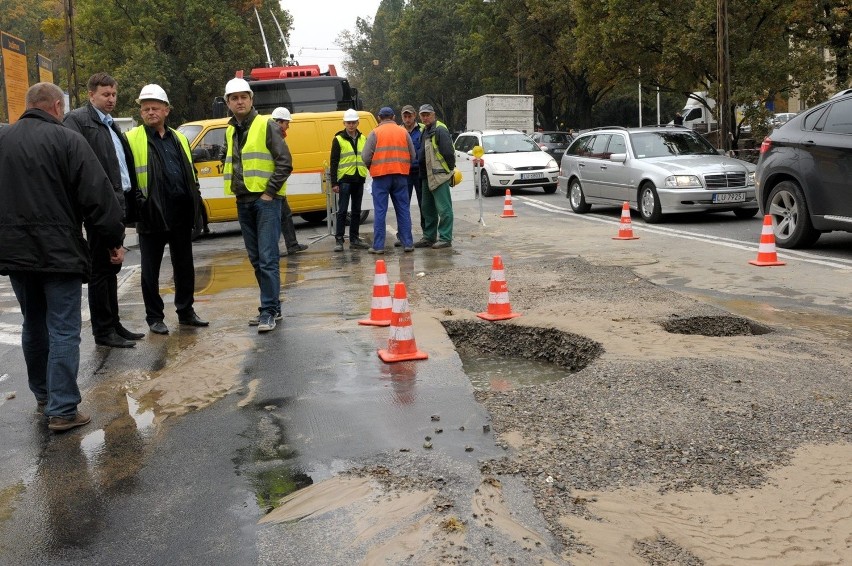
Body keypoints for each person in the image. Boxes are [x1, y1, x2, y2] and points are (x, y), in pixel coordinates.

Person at [0, 82, 125, 432]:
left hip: (16, 254)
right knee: (64, 328)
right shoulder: (68, 140)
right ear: (56, 106)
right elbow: (98, 197)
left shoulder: (3, 140)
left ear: (28, 106)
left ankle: (43, 395)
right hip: (60, 254)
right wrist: (113, 239)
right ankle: (63, 408)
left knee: (33, 323)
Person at [63, 72, 143, 348]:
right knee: (100, 268)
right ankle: (103, 331)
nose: (111, 99)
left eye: (113, 94)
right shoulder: (78, 121)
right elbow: (76, 164)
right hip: (98, 204)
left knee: (112, 267)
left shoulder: (110, 125)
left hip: (116, 203)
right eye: (105, 94)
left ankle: (114, 324)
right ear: (91, 95)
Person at [126, 84, 208, 335]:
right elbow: (128, 178)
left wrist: (195, 201)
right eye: (145, 109)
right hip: (151, 214)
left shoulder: (180, 138)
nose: (150, 112)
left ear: (166, 110)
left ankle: (186, 312)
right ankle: (154, 317)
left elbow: (189, 172)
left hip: (180, 212)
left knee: (184, 266)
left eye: (155, 108)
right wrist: (138, 207)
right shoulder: (132, 138)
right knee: (150, 270)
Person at [222, 78, 292, 332]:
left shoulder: (266, 125)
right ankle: (273, 306)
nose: (239, 101)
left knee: (267, 258)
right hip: (243, 200)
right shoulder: (231, 130)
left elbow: (285, 162)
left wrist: (269, 193)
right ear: (228, 103)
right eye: (234, 98)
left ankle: (268, 311)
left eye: (243, 97)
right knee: (256, 259)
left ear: (251, 99)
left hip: (265, 202)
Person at [361, 106, 416, 254]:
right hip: (401, 176)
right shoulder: (403, 132)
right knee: (403, 209)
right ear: (393, 117)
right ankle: (408, 243)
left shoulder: (374, 133)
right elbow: (413, 155)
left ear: (379, 117)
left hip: (380, 177)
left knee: (380, 211)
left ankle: (378, 247)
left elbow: (365, 156)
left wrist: (371, 167)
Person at [414, 104, 456, 249]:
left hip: (438, 176)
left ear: (433, 115)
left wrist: (449, 171)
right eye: (422, 115)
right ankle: (429, 237)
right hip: (426, 176)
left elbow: (449, 153)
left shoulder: (440, 130)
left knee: (444, 209)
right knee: (427, 208)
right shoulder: (424, 130)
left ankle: (445, 238)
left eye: (427, 114)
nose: (425, 117)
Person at [329, 108, 370, 252]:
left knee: (356, 211)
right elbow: (333, 162)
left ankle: (354, 239)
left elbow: (366, 157)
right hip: (345, 179)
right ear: (344, 123)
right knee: (342, 211)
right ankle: (339, 240)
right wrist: (334, 183)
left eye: (353, 122)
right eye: (348, 123)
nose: (351, 125)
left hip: (358, 178)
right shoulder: (338, 139)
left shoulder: (363, 138)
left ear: (358, 123)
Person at [271, 107, 308, 255]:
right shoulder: (274, 137)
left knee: (285, 216)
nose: (288, 126)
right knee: (274, 220)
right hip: (272, 187)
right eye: (287, 123)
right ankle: (274, 249)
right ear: (279, 122)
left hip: (275, 187)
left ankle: (292, 245)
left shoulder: (276, 136)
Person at [394, 104, 424, 246]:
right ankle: (403, 236)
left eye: (409, 116)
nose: (407, 119)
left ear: (415, 115)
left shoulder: (423, 130)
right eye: (405, 116)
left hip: (419, 173)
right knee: (402, 206)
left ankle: (427, 235)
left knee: (423, 205)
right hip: (403, 173)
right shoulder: (398, 131)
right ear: (402, 117)